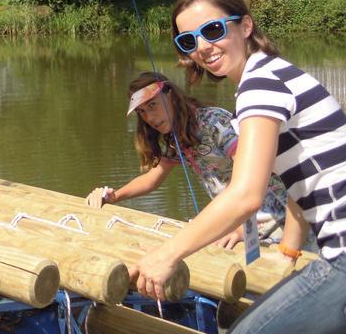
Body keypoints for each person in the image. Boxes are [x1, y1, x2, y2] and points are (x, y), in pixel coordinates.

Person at [132, 0, 346, 334]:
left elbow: (245, 195)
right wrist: (289, 253)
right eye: (189, 41)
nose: (203, 47)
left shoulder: (260, 85)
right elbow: (302, 181)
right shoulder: (274, 74)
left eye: (213, 30)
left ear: (246, 26)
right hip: (344, 252)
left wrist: (167, 254)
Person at [85, 72, 289, 246]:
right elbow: (152, 179)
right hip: (238, 221)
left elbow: (253, 175)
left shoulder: (213, 122)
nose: (150, 118)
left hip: (276, 219)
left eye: (153, 105)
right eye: (142, 112)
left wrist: (240, 229)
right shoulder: (176, 138)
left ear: (171, 96)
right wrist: (113, 196)